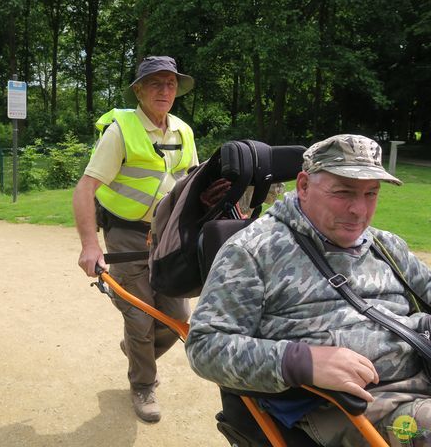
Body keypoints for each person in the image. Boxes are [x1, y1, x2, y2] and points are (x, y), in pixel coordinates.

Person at [185, 134, 431, 446]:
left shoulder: (386, 244)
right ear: (303, 186)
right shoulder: (254, 251)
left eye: (371, 193)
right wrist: (303, 361)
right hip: (358, 408)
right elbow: (205, 347)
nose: (359, 210)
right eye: (343, 192)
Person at [73, 56, 199, 423]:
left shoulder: (183, 132)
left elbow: (190, 185)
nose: (164, 90)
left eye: (171, 84)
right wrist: (90, 244)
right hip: (125, 234)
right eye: (156, 83)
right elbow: (85, 188)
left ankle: (135, 348)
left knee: (176, 317)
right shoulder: (121, 130)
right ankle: (143, 384)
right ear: (139, 90)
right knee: (141, 315)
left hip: (166, 236)